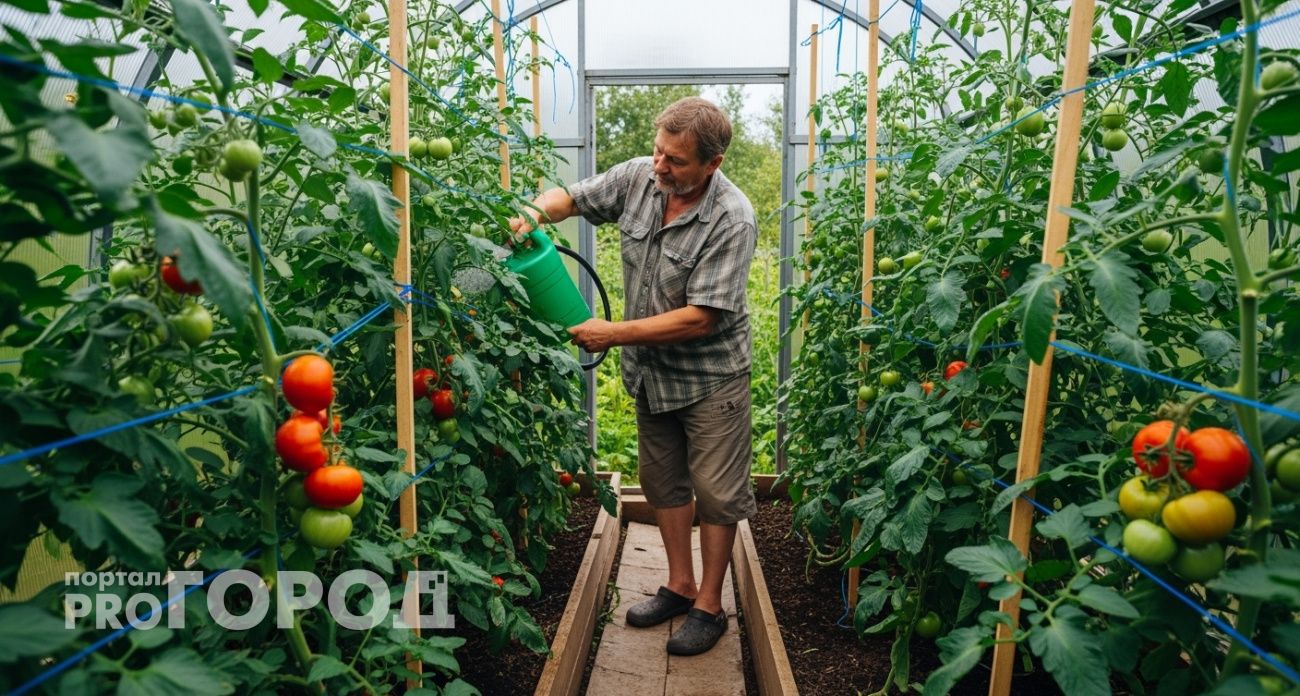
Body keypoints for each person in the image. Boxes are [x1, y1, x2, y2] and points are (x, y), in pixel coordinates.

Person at [508, 96, 758, 656]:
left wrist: (611, 332)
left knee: (717, 494)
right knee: (662, 480)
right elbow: (571, 198)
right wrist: (533, 213)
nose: (660, 166)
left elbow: (702, 318)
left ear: (712, 163)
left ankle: (710, 606)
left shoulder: (732, 217)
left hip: (711, 376)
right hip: (652, 373)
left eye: (676, 160)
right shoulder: (640, 180)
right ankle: (679, 584)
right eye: (658, 152)